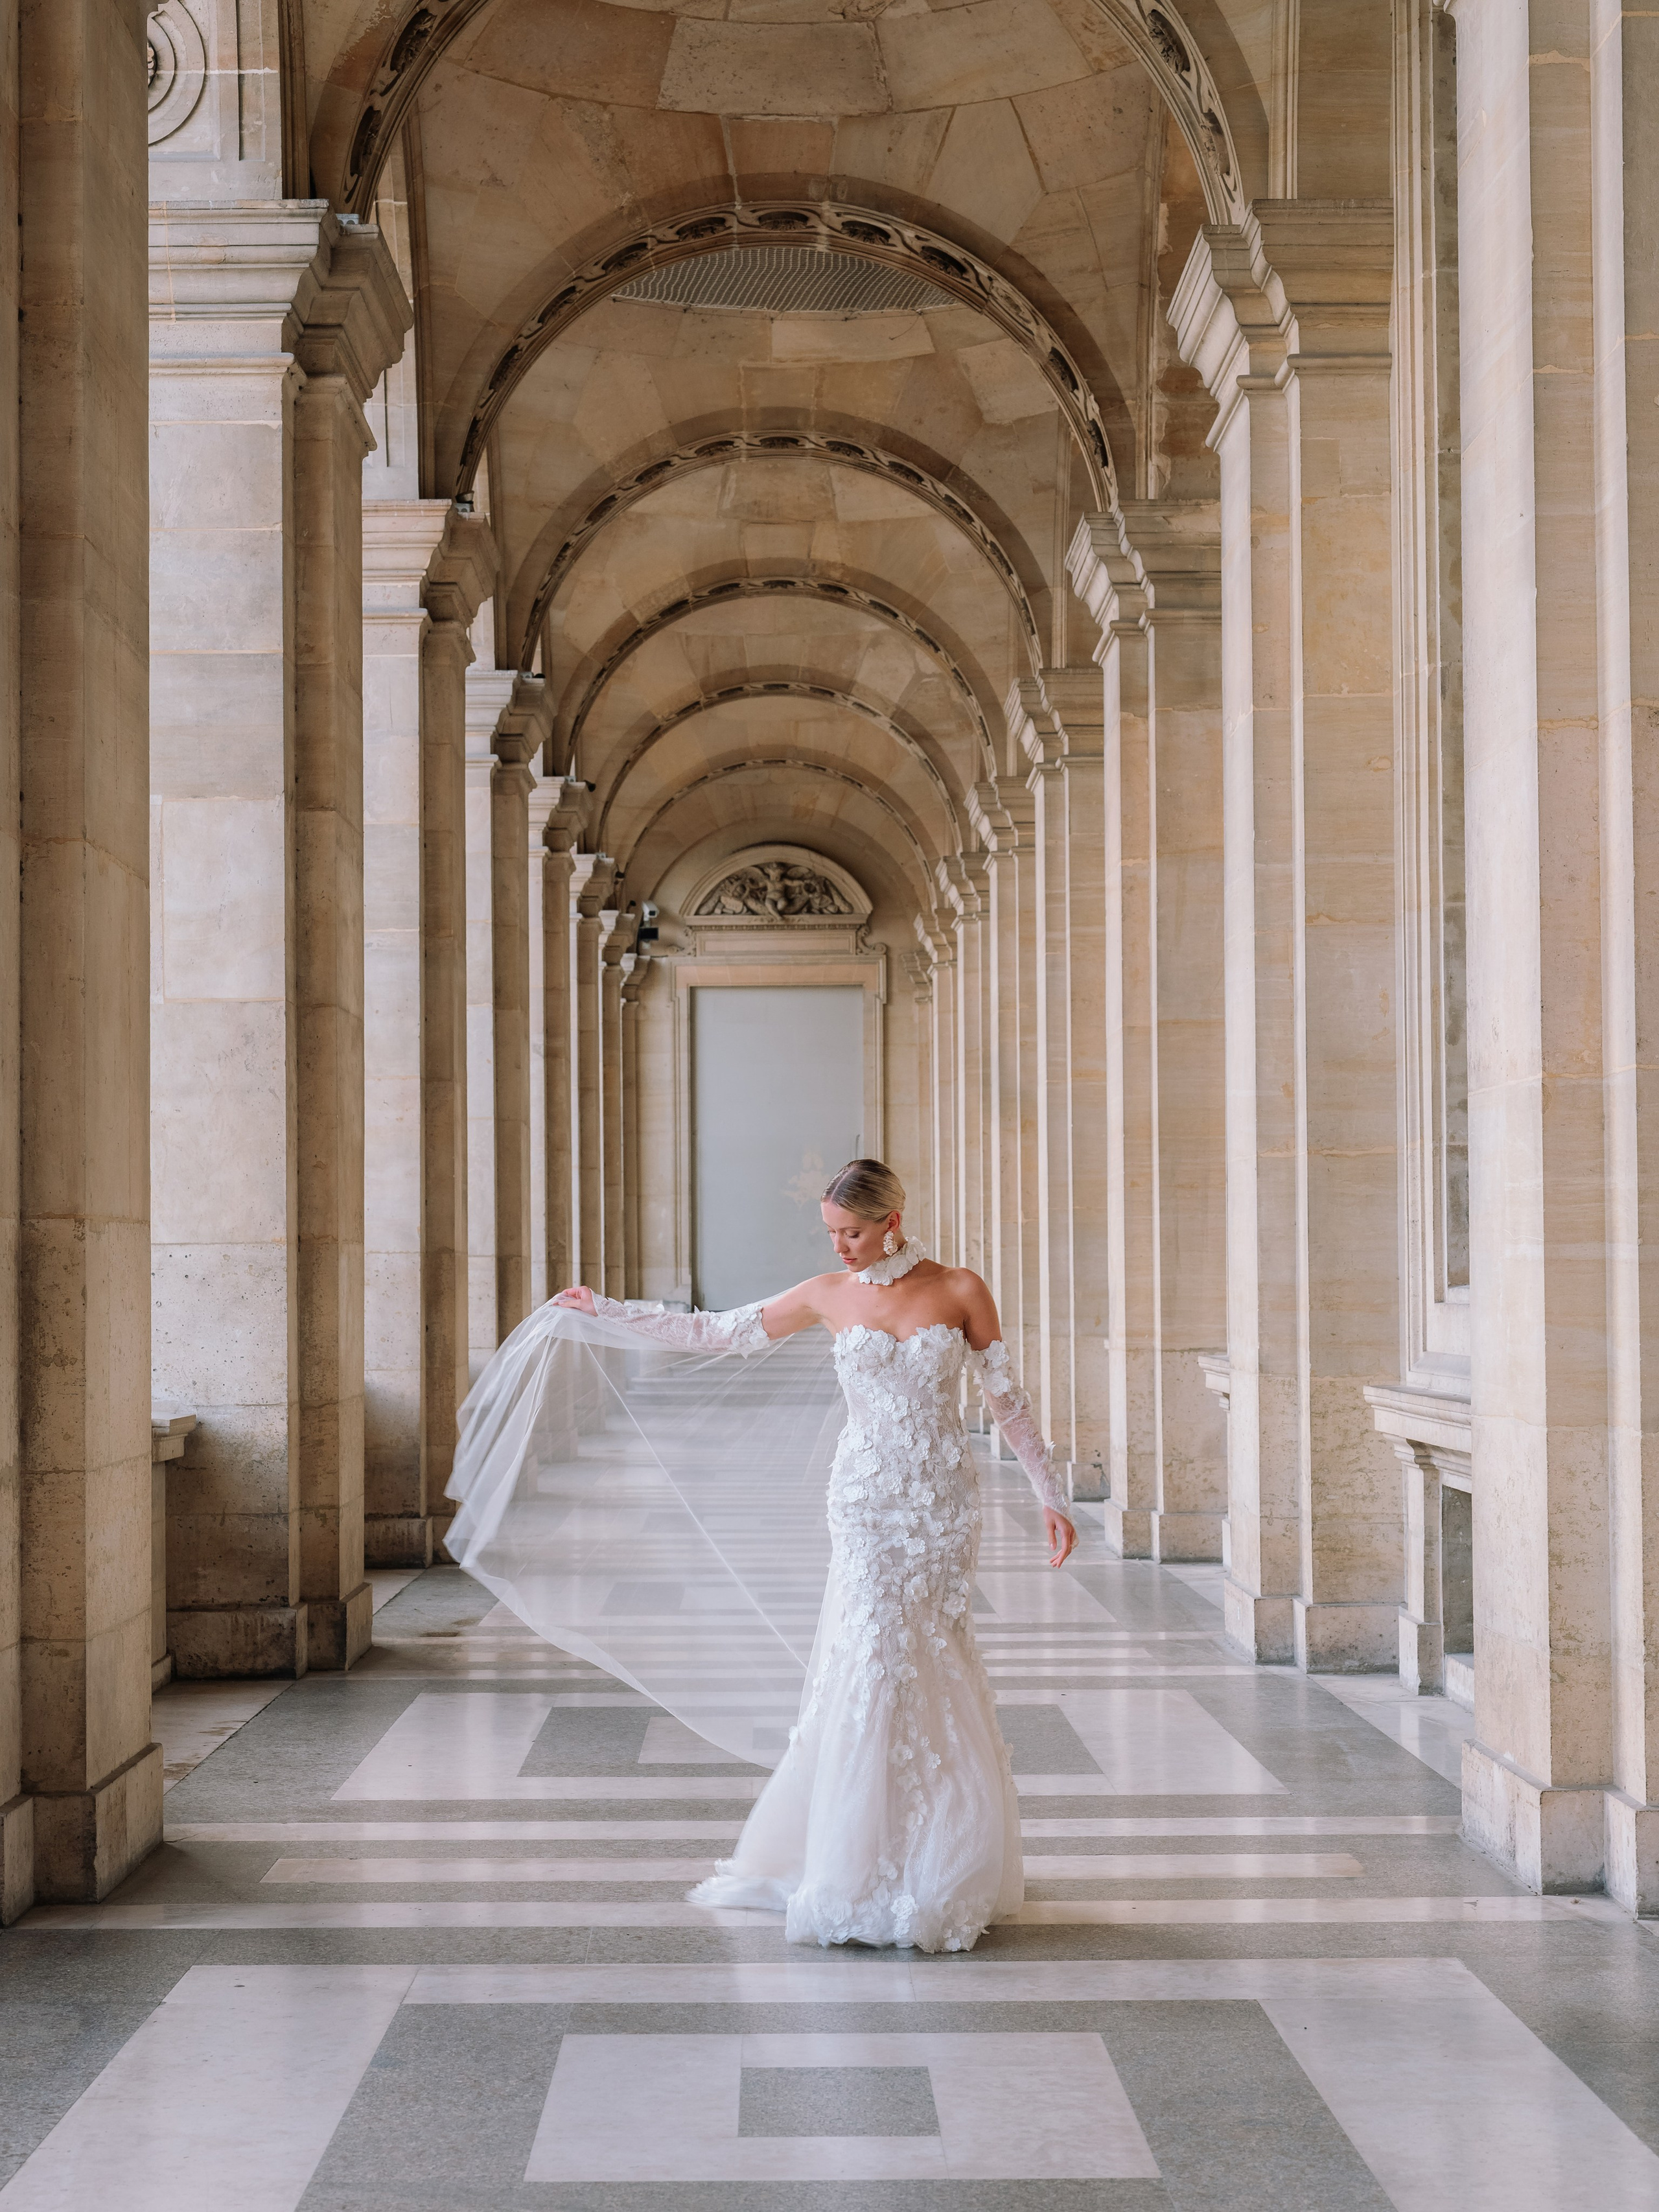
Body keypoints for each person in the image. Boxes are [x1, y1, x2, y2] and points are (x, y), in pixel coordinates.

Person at [551, 1156, 1076, 1953]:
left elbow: (1006, 1398)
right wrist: (610, 1311)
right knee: (870, 1656)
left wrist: (1049, 1491)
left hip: (938, 1506)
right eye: (832, 1233)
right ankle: (852, 1863)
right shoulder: (827, 1294)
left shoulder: (962, 1288)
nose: (841, 1248)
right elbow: (719, 1330)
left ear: (891, 1219)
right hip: (865, 1503)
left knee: (934, 1659)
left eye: (853, 1232)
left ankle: (936, 1856)